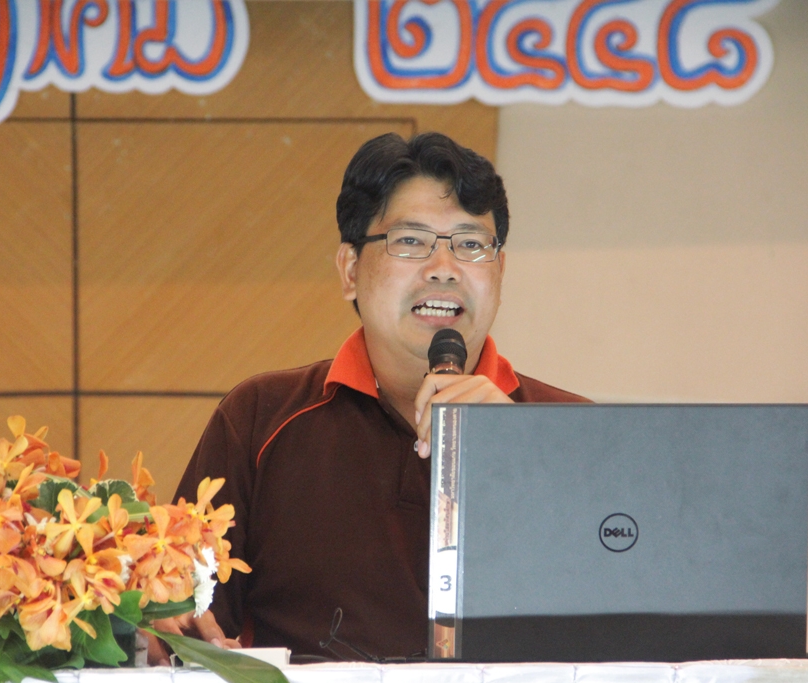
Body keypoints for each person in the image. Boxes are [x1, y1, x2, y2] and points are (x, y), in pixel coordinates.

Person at [151, 132, 588, 663]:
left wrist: (527, 456)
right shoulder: (260, 419)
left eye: (472, 245)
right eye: (411, 241)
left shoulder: (577, 433)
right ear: (351, 270)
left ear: (500, 271)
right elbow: (180, 616)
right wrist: (159, 618)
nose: (444, 267)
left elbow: (627, 626)